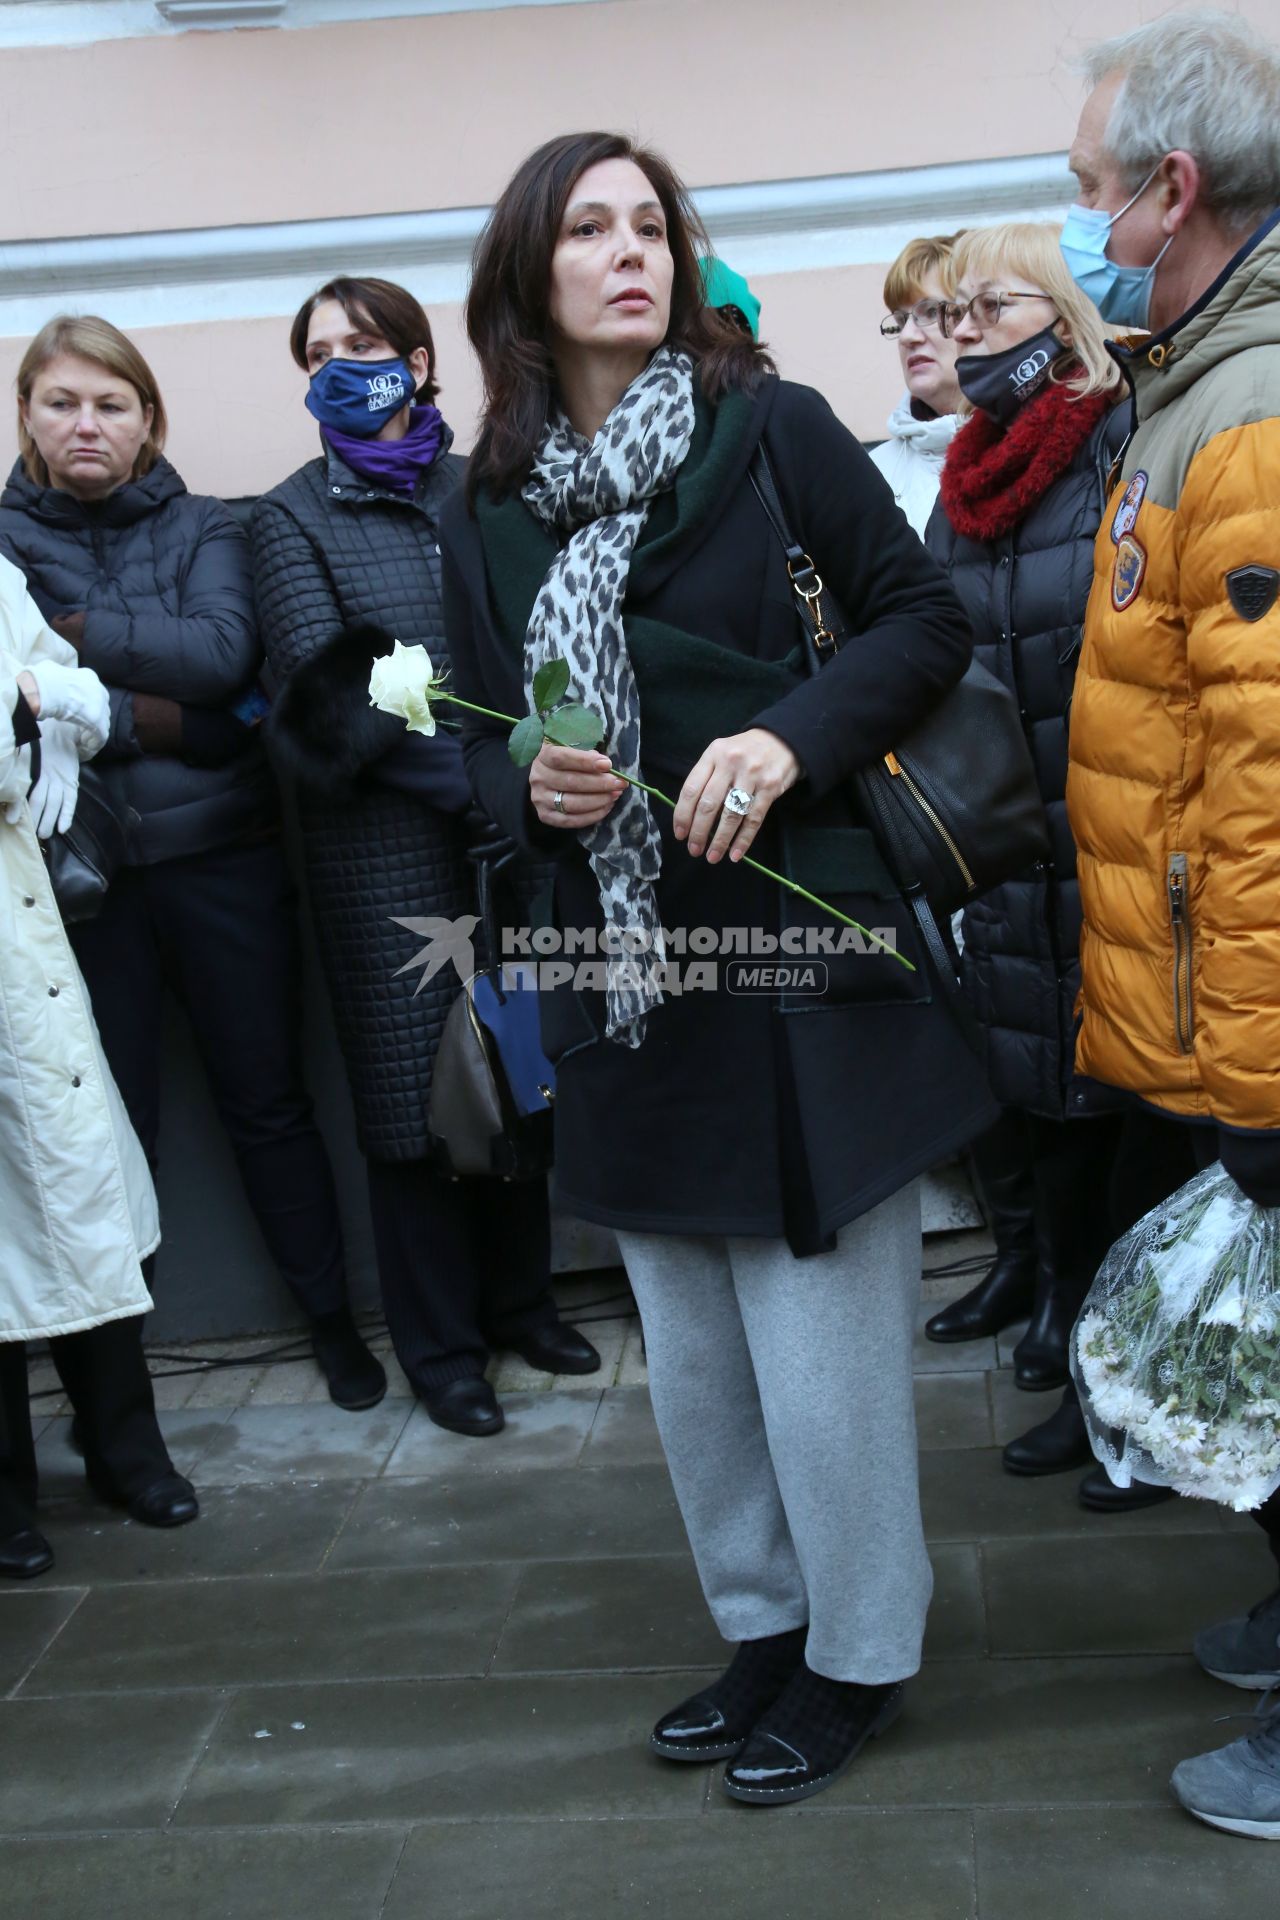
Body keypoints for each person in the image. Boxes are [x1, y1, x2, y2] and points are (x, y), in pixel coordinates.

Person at [439, 130, 995, 1805]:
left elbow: (921, 622)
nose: (634, 251)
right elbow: (475, 750)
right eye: (592, 227)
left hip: (802, 956)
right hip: (623, 982)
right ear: (529, 275)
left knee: (822, 1363)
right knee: (690, 1362)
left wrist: (784, 735)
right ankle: (762, 1625)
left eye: (654, 225)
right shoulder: (488, 513)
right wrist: (530, 790)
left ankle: (858, 1655)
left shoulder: (773, 433)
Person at [0, 315, 383, 1415]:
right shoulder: (1, 544)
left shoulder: (212, 525)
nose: (87, 423)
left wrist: (69, 648)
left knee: (269, 1106)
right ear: (26, 414)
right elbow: (62, 708)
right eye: (63, 401)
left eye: (111, 404)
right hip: (82, 892)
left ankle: (330, 1328)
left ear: (149, 420)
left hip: (226, 867)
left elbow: (226, 661)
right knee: (108, 1137)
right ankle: (113, 1403)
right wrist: (173, 712)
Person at [252, 276, 599, 1439]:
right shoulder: (291, 517)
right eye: (320, 352)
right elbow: (326, 687)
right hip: (388, 855)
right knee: (415, 1108)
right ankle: (443, 1351)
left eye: (365, 342)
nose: (344, 362)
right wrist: (478, 793)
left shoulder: (482, 486)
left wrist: (531, 780)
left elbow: (531, 641)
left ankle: (522, 1305)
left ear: (416, 357)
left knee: (518, 1077)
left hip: (511, 838)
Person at [1060, 9, 1280, 1834]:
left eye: (1088, 187)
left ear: (1171, 188)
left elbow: (1277, 779)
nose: (1079, 221)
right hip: (1206, 981)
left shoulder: (1255, 403)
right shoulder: (1191, 373)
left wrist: (1265, 1079)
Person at [925, 222, 1194, 1510]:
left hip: (1117, 848)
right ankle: (1099, 1393)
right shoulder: (966, 475)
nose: (962, 329)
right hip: (1009, 852)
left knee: (1143, 1150)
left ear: (1061, 315)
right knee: (1055, 1141)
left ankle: (1147, 1414)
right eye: (950, 310)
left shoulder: (1120, 439)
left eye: (988, 305)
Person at [1, 555, 198, 1577]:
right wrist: (31, 709)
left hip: (28, 939)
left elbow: (79, 702)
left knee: (82, 1193)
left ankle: (124, 1446)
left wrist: (53, 709)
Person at [869, 231, 1041, 1352]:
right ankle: (1018, 1254)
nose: (925, 340)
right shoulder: (870, 471)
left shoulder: (1017, 450)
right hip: (930, 800)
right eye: (904, 322)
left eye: (944, 315)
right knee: (977, 1041)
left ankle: (1055, 1273)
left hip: (1028, 790)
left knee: (1046, 1045)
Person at [869, 232, 965, 536]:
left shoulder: (1025, 444)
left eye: (930, 312)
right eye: (901, 320)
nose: (908, 336)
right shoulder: (874, 471)